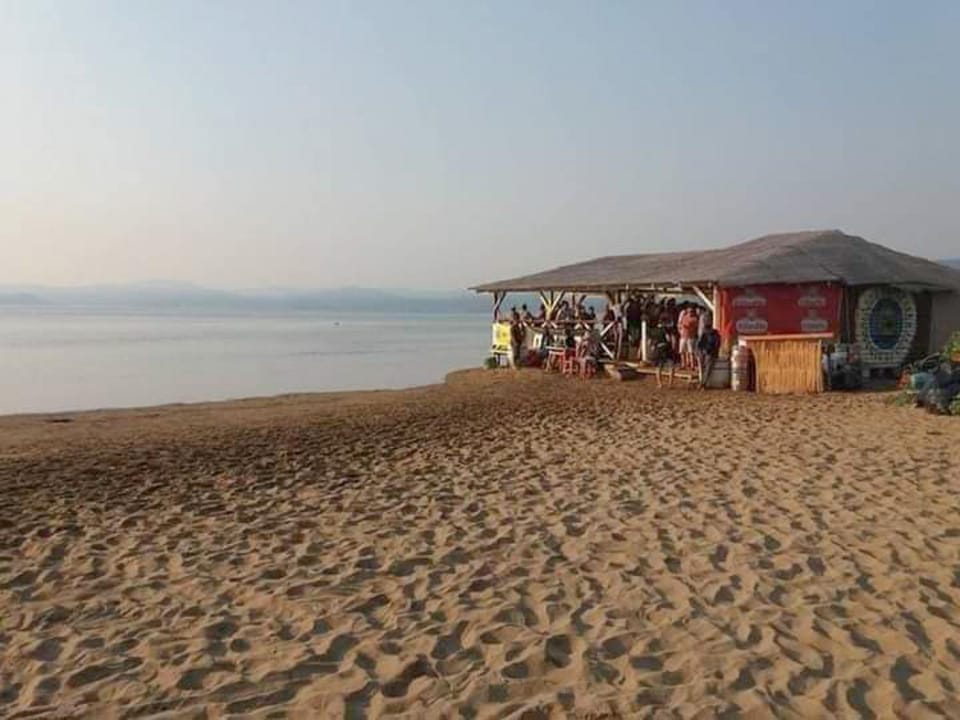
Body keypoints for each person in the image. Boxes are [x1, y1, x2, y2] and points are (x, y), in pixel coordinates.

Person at [697, 322, 722, 389]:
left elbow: (716, 346)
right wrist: (702, 351)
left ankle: (703, 383)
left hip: (711, 353)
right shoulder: (704, 334)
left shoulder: (715, 335)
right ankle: (701, 381)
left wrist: (708, 350)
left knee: (708, 367)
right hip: (704, 352)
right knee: (701, 364)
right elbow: (700, 345)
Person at [679, 305, 700, 369]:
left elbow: (695, 327)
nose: (690, 312)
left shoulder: (694, 319)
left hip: (691, 337)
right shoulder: (684, 317)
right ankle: (683, 364)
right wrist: (680, 330)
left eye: (691, 311)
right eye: (689, 311)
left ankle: (692, 365)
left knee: (691, 352)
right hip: (683, 336)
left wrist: (687, 327)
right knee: (682, 351)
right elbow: (680, 324)